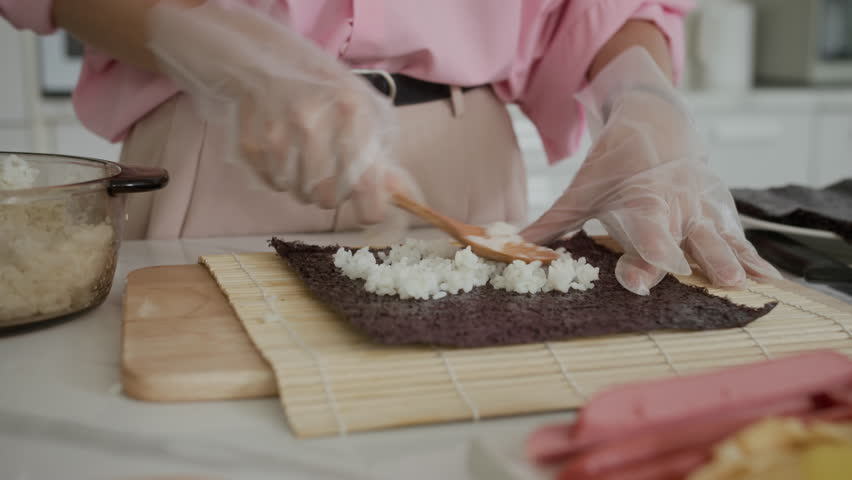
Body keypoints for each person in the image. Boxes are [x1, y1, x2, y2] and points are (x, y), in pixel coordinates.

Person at [0, 0, 780, 295]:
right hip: (218, 137)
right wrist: (194, 39)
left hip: (465, 166)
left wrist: (641, 92)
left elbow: (614, 11)